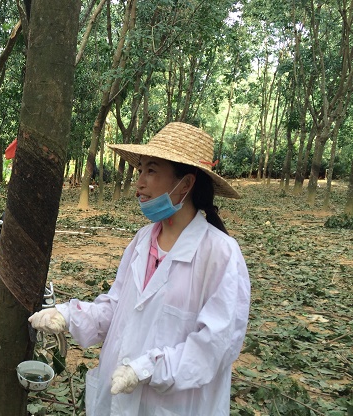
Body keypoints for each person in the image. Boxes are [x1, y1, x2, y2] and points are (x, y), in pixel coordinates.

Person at [29, 122, 250, 415]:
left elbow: (215, 345)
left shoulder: (220, 253)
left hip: (175, 405)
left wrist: (148, 369)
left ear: (185, 184)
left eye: (152, 170)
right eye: (140, 170)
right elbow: (117, 307)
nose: (139, 183)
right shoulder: (142, 240)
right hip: (120, 397)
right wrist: (68, 315)